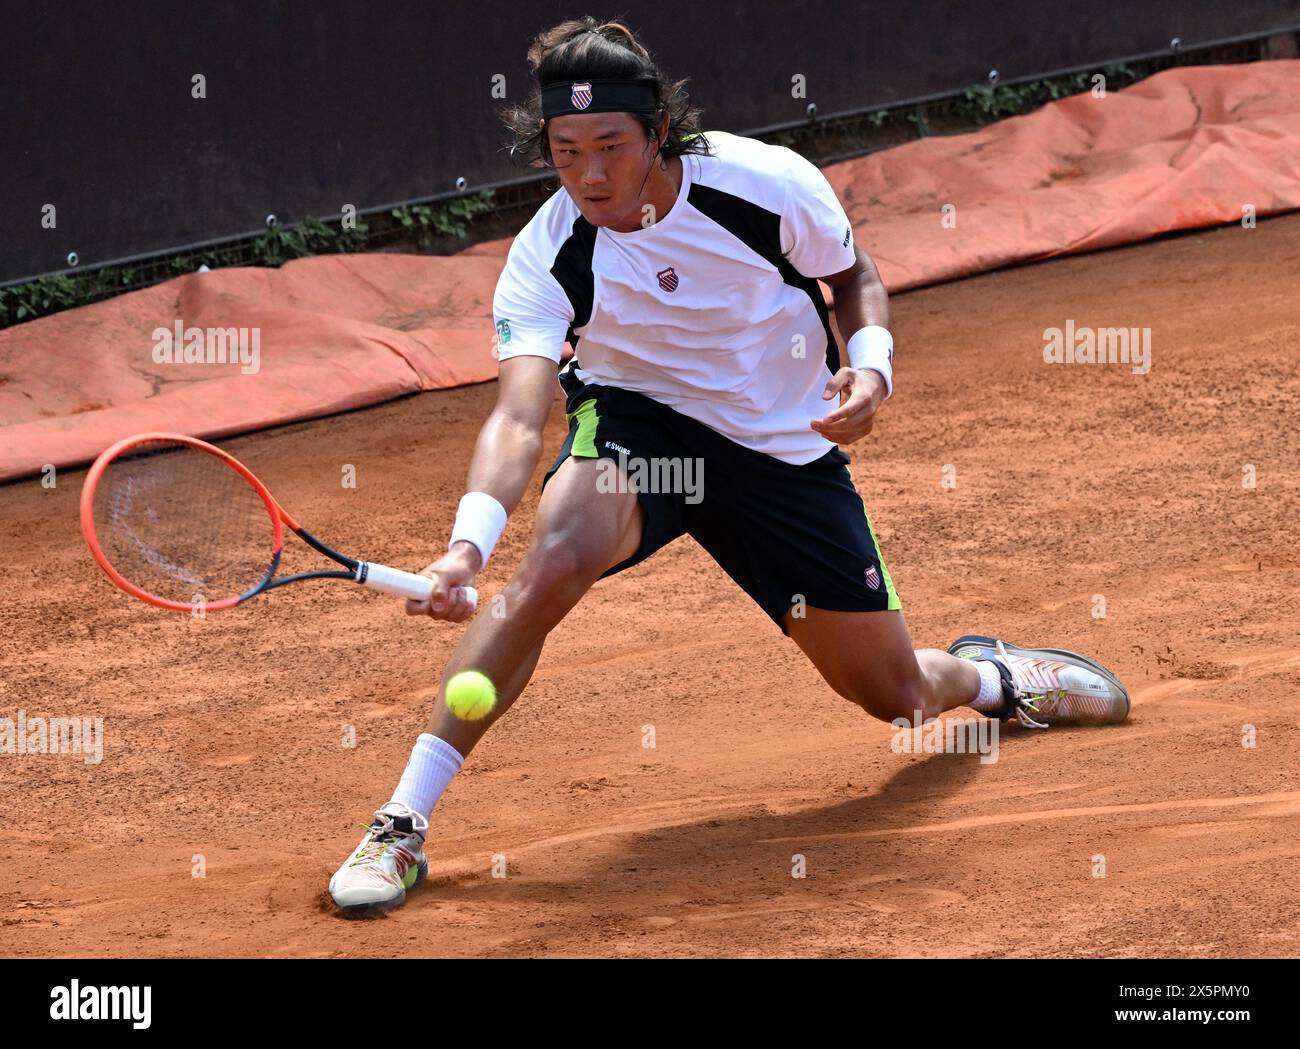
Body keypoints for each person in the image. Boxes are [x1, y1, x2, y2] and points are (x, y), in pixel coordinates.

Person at [328, 17, 1129, 917]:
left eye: (610, 146)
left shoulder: (764, 185)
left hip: (782, 447)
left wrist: (871, 366)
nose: (589, 175)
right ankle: (401, 820)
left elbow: (853, 275)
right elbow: (518, 416)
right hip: (645, 433)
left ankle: (994, 678)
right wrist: (467, 549)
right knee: (553, 557)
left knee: (896, 696)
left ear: (659, 132)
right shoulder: (548, 254)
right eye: (565, 152)